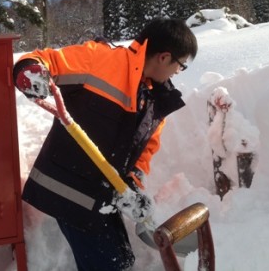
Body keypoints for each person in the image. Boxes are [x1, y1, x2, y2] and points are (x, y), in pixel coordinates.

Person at [13, 17, 198, 270]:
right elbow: (44, 60)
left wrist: (133, 182)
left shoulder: (157, 100)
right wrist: (29, 72)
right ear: (164, 57)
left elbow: (146, 150)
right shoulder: (100, 59)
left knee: (122, 261)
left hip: (102, 196)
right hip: (69, 190)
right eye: (181, 65)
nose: (178, 72)